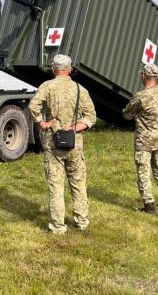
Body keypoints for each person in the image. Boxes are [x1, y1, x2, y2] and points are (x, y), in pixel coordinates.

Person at [28, 54, 96, 235]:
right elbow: (91, 117)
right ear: (70, 69)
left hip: (53, 143)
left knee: (56, 186)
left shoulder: (47, 87)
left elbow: (33, 107)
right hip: (75, 144)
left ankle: (58, 226)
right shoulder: (81, 89)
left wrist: (42, 124)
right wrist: (74, 128)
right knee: (78, 183)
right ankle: (81, 221)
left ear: (53, 69)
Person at [123, 64, 158, 213]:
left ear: (144, 76)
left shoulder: (140, 97)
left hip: (144, 141)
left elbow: (127, 114)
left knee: (144, 173)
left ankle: (149, 206)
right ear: (157, 76)